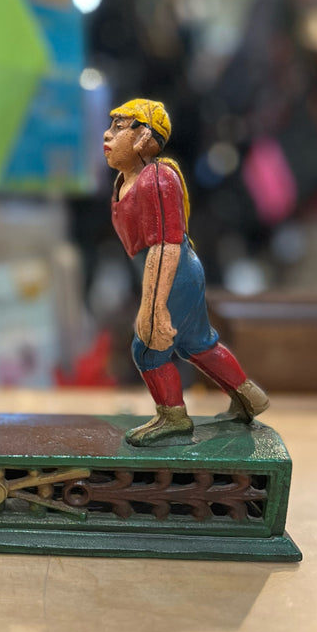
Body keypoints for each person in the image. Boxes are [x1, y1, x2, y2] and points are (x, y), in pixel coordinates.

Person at [103, 97, 269, 446]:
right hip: (170, 270)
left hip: (173, 271)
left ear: (143, 136)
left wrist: (154, 307)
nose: (107, 134)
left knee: (147, 348)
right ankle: (249, 397)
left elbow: (165, 245)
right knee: (197, 342)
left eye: (119, 127)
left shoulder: (157, 179)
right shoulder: (127, 178)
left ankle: (173, 417)